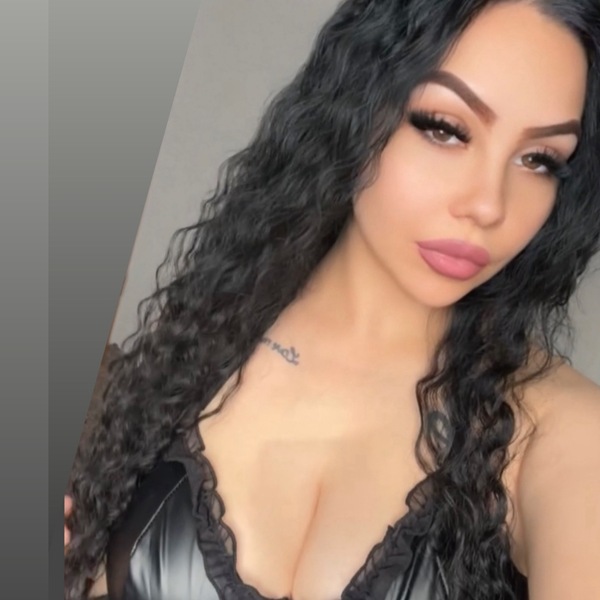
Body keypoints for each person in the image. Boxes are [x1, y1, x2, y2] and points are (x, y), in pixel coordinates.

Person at [63, 0, 600, 598]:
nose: (488, 205)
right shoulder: (199, 344)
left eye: (539, 160)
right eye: (445, 128)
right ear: (356, 105)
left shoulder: (559, 433)